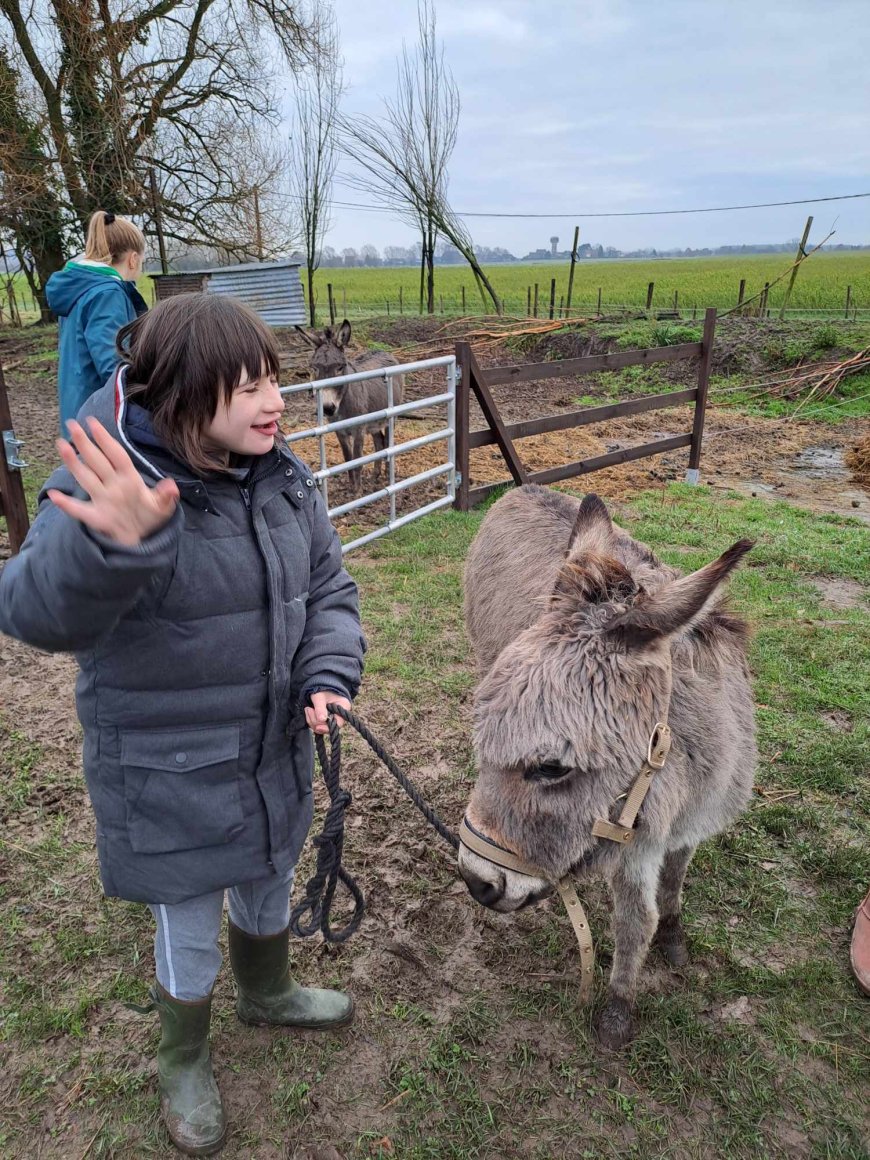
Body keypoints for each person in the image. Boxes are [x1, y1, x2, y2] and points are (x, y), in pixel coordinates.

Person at [0, 293, 366, 1156]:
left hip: (273, 751)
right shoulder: (112, 478)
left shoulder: (284, 478)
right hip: (171, 774)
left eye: (274, 379)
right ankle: (184, 1054)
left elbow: (330, 593)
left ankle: (267, 991)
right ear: (186, 394)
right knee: (190, 922)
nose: (274, 401)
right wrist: (111, 548)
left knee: (272, 875)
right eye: (248, 388)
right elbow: (30, 605)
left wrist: (323, 672)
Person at [46, 209, 149, 430]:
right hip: (101, 423)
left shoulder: (82, 290)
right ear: (133, 259)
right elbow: (114, 365)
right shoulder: (107, 293)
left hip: (80, 412)